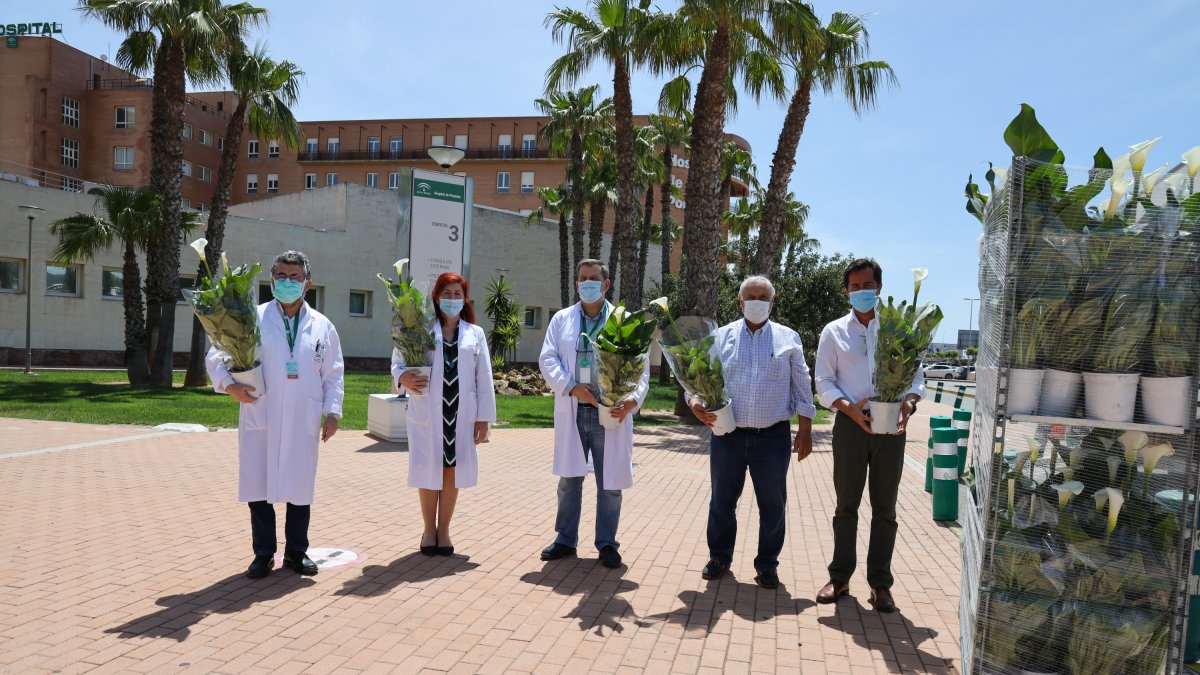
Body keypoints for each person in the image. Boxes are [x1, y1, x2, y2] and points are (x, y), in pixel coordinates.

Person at [207, 250, 345, 579]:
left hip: (302, 417)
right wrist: (228, 385)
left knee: (299, 486)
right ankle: (264, 553)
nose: (287, 282)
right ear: (271, 280)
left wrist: (333, 412)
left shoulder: (322, 326)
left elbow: (334, 372)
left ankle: (297, 553)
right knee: (259, 485)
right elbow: (216, 354)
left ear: (307, 283)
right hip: (261, 413)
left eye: (295, 277)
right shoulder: (250, 318)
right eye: (281, 276)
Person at [688, 275, 815, 589]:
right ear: (740, 302)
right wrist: (694, 402)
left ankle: (767, 565)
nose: (756, 302)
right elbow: (700, 377)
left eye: (763, 297)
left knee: (772, 504)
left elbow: (801, 383)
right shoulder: (721, 336)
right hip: (727, 434)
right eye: (750, 297)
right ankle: (719, 557)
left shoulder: (788, 338)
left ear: (772, 303)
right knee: (722, 501)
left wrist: (806, 428)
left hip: (773, 437)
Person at [813, 258, 925, 612]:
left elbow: (916, 377)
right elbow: (823, 381)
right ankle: (840, 578)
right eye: (855, 286)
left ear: (880, 288)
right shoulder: (833, 332)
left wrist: (907, 404)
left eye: (867, 286)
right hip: (850, 425)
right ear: (847, 291)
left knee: (885, 508)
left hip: (891, 425)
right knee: (846, 505)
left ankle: (880, 584)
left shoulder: (897, 330)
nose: (861, 292)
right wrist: (847, 408)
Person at [538, 259, 650, 569]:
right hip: (574, 407)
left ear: (606, 284)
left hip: (610, 413)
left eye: (593, 278)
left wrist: (632, 400)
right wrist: (571, 387)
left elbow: (641, 367)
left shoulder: (623, 319)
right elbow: (548, 359)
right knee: (569, 478)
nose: (586, 283)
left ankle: (607, 543)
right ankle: (565, 539)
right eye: (582, 278)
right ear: (576, 283)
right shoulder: (561, 320)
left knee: (610, 483)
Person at [392, 272, 496, 556]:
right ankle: (428, 530)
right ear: (436, 298)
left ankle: (445, 531)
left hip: (460, 414)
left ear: (465, 300)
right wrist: (403, 379)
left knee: (452, 471)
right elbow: (397, 362)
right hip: (428, 411)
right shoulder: (420, 328)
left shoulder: (475, 334)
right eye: (446, 294)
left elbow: (483, 377)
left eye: (457, 294)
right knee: (428, 471)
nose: (452, 299)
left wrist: (484, 418)